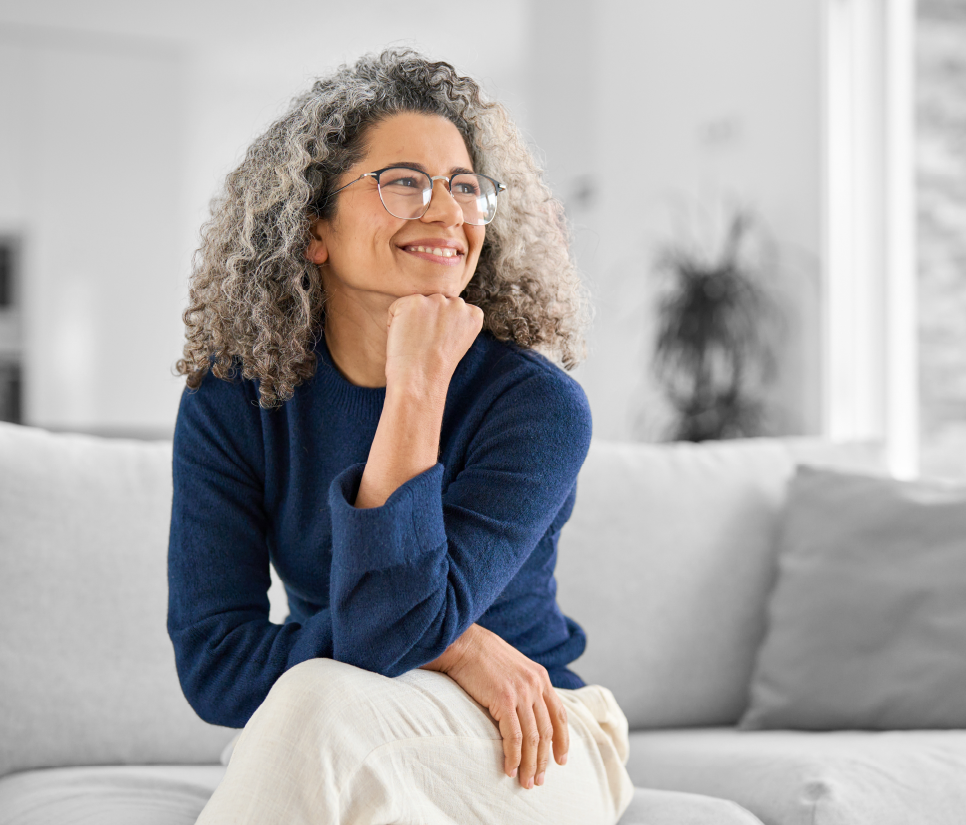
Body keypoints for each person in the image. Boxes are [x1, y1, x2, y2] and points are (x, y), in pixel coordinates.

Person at [168, 48, 634, 825]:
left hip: (530, 734)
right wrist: (453, 644)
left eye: (464, 188)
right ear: (311, 227)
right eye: (404, 181)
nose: (447, 212)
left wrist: (416, 384)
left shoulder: (535, 406)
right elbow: (214, 666)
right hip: (341, 712)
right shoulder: (232, 397)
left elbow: (387, 630)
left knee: (313, 703)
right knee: (321, 709)